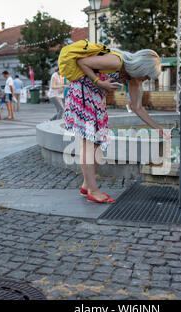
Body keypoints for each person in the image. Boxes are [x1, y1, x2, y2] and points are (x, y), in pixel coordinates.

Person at [63, 43, 169, 204]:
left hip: (96, 100)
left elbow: (137, 107)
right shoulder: (116, 61)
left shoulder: (134, 80)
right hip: (82, 95)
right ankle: (93, 190)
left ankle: (87, 185)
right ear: (141, 68)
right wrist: (101, 82)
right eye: (147, 75)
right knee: (89, 143)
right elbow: (82, 63)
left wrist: (158, 128)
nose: (147, 79)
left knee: (97, 143)